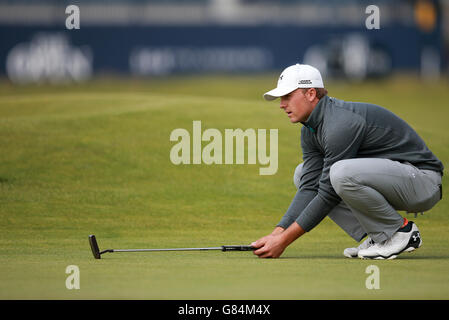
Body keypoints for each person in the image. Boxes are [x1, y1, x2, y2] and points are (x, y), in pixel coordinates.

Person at [251, 64, 444, 260]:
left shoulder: (340, 124)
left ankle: (399, 232)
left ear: (310, 94)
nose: (282, 104)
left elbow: (328, 194)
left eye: (287, 97)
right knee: (302, 174)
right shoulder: (310, 128)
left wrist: (283, 242)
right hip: (397, 179)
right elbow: (310, 186)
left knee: (340, 173)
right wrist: (276, 234)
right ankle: (380, 236)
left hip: (423, 182)